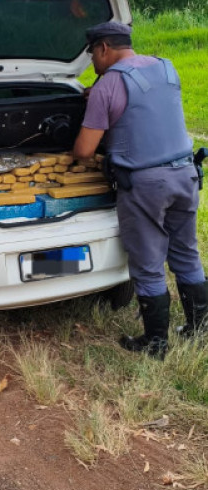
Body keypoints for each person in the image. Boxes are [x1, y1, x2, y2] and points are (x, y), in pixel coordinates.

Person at [73, 20, 207, 358]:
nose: (93, 64)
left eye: (92, 55)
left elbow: (84, 151)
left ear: (104, 48)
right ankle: (198, 331)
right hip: (185, 173)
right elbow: (145, 105)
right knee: (187, 255)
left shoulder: (107, 86)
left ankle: (156, 343)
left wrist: (98, 101)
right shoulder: (167, 68)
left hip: (146, 183)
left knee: (147, 264)